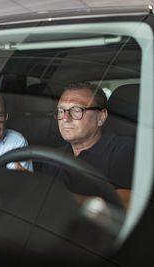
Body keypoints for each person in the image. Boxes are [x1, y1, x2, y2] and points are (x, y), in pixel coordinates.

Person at [47, 82, 135, 210]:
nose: (65, 118)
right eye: (61, 111)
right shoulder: (52, 157)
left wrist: (53, 196)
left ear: (101, 117)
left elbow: (125, 205)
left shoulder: (124, 150)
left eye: (76, 110)